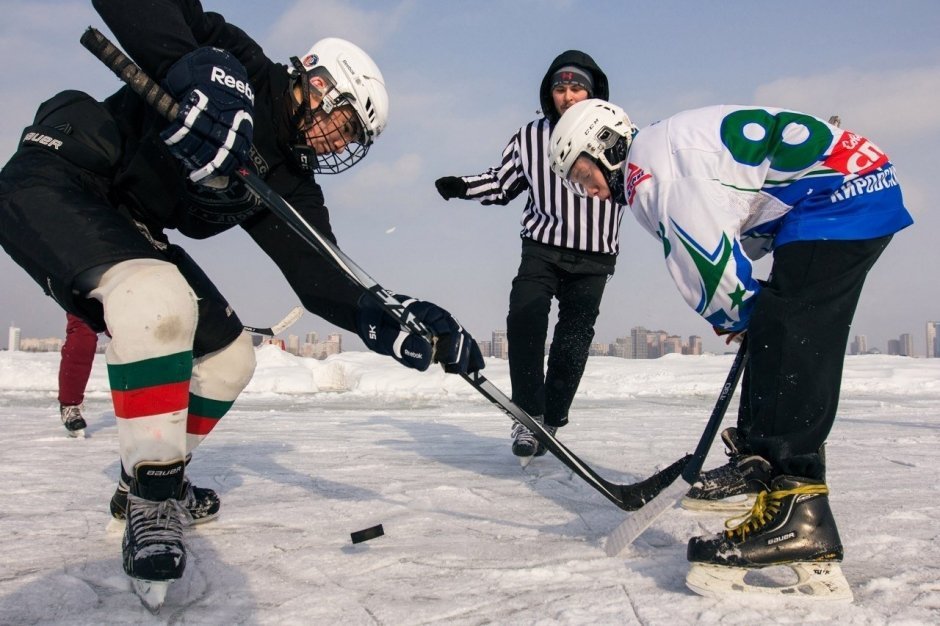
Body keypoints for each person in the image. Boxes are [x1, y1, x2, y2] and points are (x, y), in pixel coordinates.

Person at [0, 0, 482, 607]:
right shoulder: (243, 66)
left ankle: (148, 477)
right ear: (317, 83)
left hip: (131, 226)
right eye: (346, 122)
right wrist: (199, 74)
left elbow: (321, 271)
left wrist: (390, 317)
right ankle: (154, 503)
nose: (341, 141)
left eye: (354, 138)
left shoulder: (289, 181)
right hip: (62, 175)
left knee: (230, 359)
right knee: (159, 300)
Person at [548, 99, 911, 599]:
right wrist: (751, 316)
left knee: (788, 338)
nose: (585, 189)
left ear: (604, 145)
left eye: (582, 172)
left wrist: (741, 314)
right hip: (840, 189)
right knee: (782, 330)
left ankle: (797, 516)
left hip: (840, 196)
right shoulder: (658, 153)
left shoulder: (653, 173)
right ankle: (766, 472)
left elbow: (706, 260)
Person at [433, 51, 626, 460]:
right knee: (524, 315)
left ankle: (551, 421)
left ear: (592, 92)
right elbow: (502, 184)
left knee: (573, 340)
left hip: (594, 259)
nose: (568, 96)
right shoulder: (530, 136)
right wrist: (462, 186)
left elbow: (643, 185)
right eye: (560, 88)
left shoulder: (619, 132)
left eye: (577, 88)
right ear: (549, 93)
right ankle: (527, 416)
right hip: (541, 247)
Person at [58, 313, 99, 437]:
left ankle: (143, 400)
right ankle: (69, 404)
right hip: (81, 296)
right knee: (83, 332)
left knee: (128, 329)